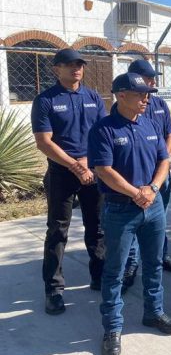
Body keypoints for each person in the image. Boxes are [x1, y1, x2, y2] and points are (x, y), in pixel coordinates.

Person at [88, 73, 171, 355]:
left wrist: (152, 189)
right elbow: (104, 170)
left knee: (153, 264)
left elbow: (164, 159)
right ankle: (112, 327)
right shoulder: (103, 129)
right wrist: (135, 193)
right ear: (121, 95)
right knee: (115, 270)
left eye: (147, 94)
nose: (146, 99)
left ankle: (154, 312)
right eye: (140, 94)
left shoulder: (149, 123)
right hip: (120, 209)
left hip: (152, 206)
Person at [31, 48, 106, 315]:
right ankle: (53, 290)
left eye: (79, 64)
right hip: (62, 173)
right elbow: (44, 142)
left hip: (92, 171)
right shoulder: (45, 100)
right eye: (69, 64)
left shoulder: (93, 97)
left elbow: (102, 134)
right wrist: (76, 165)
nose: (76, 68)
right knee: (57, 231)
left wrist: (88, 163)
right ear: (56, 69)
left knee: (97, 227)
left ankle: (100, 277)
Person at [120, 60, 171, 297]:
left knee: (159, 216)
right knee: (136, 219)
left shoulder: (159, 104)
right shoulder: (126, 106)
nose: (153, 82)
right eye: (148, 78)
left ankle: (161, 255)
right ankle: (131, 266)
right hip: (137, 176)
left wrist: (161, 161)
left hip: (160, 174)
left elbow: (169, 135)